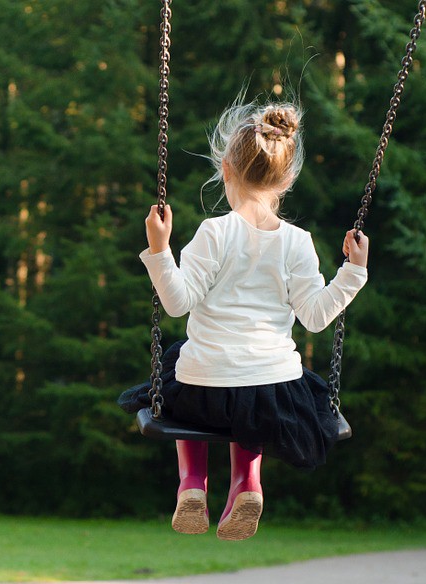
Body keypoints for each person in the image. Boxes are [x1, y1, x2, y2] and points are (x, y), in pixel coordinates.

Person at [118, 99, 369, 541]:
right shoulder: (298, 242)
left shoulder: (214, 232)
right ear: (287, 179)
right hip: (272, 392)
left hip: (203, 389)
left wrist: (159, 250)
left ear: (225, 170)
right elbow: (315, 317)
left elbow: (176, 303)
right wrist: (353, 272)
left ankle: (192, 484)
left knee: (181, 368)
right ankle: (247, 484)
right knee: (252, 400)